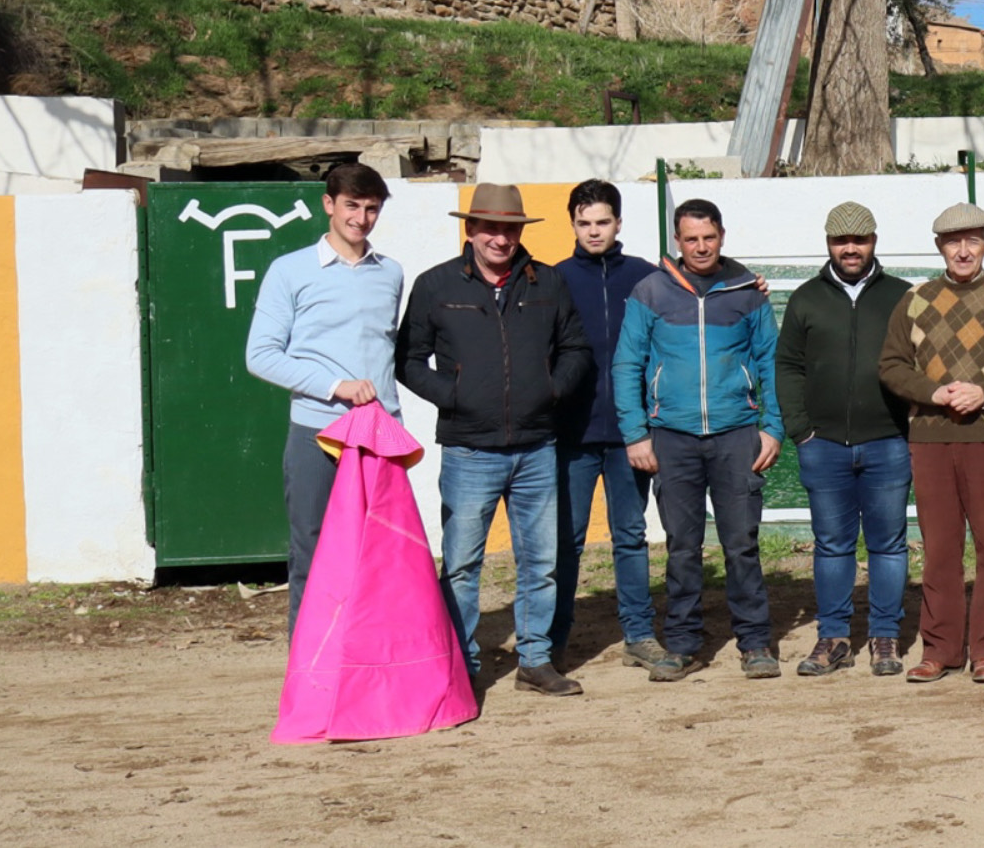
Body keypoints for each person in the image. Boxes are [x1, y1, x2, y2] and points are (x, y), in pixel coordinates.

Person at [396, 183, 594, 696]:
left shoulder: (547, 283)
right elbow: (408, 361)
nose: (500, 238)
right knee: (462, 564)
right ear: (471, 229)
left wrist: (550, 391)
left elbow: (576, 349)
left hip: (536, 446)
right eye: (490, 227)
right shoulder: (436, 285)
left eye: (509, 228)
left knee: (541, 562)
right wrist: (454, 394)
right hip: (468, 448)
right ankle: (458, 663)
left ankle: (534, 660)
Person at [612, 198, 785, 682]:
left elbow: (770, 361)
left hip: (736, 433)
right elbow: (628, 363)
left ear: (722, 236)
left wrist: (772, 426)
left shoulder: (747, 290)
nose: (701, 247)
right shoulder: (650, 292)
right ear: (678, 241)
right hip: (672, 437)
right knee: (682, 547)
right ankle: (684, 644)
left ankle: (755, 643)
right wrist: (635, 433)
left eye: (709, 237)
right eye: (691, 239)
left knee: (741, 545)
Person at [878, 203, 984, 685]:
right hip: (931, 437)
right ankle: (940, 649)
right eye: (954, 241)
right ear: (940, 247)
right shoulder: (915, 300)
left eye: (973, 240)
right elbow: (891, 365)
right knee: (940, 547)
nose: (963, 249)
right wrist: (931, 393)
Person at [244, 161, 403, 637]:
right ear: (328, 204)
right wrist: (336, 386)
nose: (361, 218)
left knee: (379, 553)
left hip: (379, 434)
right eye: (352, 205)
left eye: (372, 208)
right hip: (317, 431)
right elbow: (260, 355)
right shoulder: (289, 270)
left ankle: (370, 660)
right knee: (312, 552)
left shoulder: (390, 273)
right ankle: (308, 667)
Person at [777, 201, 915, 678]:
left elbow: (922, 363)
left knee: (888, 545)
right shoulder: (806, 299)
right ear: (828, 242)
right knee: (832, 545)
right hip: (825, 444)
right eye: (841, 240)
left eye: (860, 239)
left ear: (874, 241)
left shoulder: (902, 295)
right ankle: (833, 638)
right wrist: (802, 431)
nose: (851, 248)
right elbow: (788, 366)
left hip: (888, 441)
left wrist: (909, 424)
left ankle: (884, 636)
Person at [545, 179, 670, 677]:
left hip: (630, 434)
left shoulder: (646, 277)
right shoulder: (551, 279)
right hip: (571, 434)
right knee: (566, 541)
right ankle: (553, 639)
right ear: (572, 224)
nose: (593, 231)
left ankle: (638, 635)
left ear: (618, 223)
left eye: (602, 222)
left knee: (630, 535)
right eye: (584, 223)